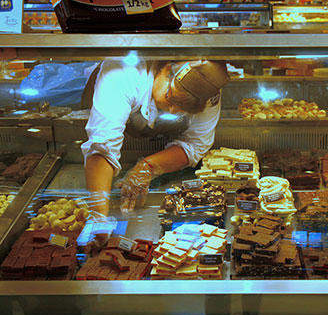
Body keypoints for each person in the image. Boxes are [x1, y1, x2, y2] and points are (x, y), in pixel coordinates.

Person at [81, 57, 230, 219]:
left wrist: (147, 167)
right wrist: (98, 218)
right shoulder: (123, 73)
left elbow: (195, 144)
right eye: (171, 99)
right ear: (166, 70)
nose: (173, 111)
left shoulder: (207, 90)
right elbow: (103, 147)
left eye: (184, 109)